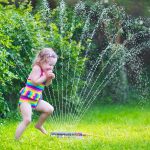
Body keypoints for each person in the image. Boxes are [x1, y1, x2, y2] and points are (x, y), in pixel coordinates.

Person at [15, 48, 58, 140]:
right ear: (40, 60)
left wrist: (49, 78)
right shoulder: (37, 68)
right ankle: (16, 140)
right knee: (27, 120)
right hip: (26, 100)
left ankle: (39, 125)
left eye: (53, 65)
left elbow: (46, 84)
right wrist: (45, 76)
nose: (51, 67)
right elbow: (35, 81)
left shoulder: (45, 72)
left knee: (50, 109)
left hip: (36, 100)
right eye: (49, 64)